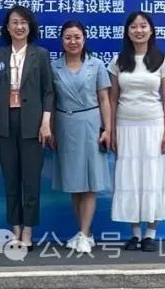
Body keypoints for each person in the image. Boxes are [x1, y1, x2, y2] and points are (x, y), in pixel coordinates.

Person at [0, 5, 55, 251]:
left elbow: (48, 92)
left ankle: (28, 230)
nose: (19, 26)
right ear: (7, 27)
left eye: (23, 22)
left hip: (33, 124)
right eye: (14, 22)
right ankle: (15, 228)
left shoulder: (41, 54)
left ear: (30, 26)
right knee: (11, 180)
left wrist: (46, 123)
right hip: (5, 122)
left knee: (31, 180)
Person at [108, 11, 165, 252]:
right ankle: (135, 234)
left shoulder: (162, 60)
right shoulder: (119, 61)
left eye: (143, 26)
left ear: (151, 30)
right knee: (130, 179)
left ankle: (151, 233)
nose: (139, 30)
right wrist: (111, 130)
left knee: (153, 178)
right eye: (134, 27)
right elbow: (112, 99)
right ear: (127, 32)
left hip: (154, 127)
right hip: (125, 127)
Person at [51, 20, 112, 254]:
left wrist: (107, 129)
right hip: (65, 126)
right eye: (68, 37)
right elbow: (51, 101)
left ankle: (85, 234)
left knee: (89, 182)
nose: (73, 41)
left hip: (90, 125)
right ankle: (83, 232)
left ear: (84, 39)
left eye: (77, 37)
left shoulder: (96, 65)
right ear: (62, 40)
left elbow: (104, 99)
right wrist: (51, 129)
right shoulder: (54, 67)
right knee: (74, 184)